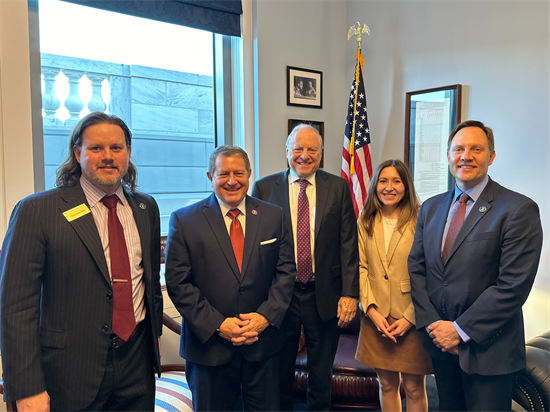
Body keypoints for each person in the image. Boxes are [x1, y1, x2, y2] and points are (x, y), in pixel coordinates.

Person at [0, 112, 163, 412]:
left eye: (116, 148)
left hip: (137, 364)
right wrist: (26, 388)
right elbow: (15, 308)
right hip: (69, 371)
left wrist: (155, 345)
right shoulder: (37, 211)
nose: (108, 157)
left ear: (128, 152)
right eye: (96, 148)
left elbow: (149, 282)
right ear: (77, 153)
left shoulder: (145, 207)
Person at [408, 120, 543, 412]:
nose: (465, 156)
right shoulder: (430, 208)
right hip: (441, 348)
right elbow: (417, 269)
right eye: (458, 149)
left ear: (491, 156)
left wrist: (458, 330)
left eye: (476, 149)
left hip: (488, 352)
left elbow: (512, 287)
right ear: (448, 156)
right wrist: (435, 327)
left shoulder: (518, 210)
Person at [164, 145, 296, 412]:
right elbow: (179, 284)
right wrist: (218, 324)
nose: (232, 181)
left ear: (249, 174)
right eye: (223, 174)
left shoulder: (274, 216)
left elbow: (285, 273)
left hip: (263, 345)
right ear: (210, 176)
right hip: (209, 349)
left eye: (239, 173)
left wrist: (264, 318)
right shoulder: (184, 220)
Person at [251, 124, 359, 412]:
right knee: (280, 372)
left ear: (321, 153)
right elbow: (256, 249)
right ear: (287, 151)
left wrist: (350, 293)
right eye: (298, 148)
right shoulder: (263, 188)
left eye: (312, 149)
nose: (304, 155)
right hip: (279, 297)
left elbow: (348, 243)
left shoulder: (338, 187)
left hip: (323, 295)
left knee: (321, 376)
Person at [355, 159, 432, 412]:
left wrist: (411, 317)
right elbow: (361, 269)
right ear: (375, 185)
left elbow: (429, 272)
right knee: (386, 385)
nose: (389, 187)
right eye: (383, 181)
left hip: (411, 317)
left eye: (396, 181)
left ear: (406, 186)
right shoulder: (365, 220)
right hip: (376, 318)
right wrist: (371, 310)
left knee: (413, 388)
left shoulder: (420, 219)